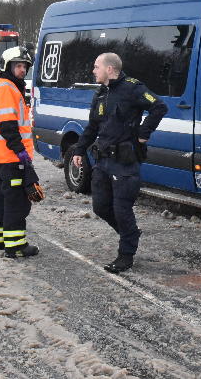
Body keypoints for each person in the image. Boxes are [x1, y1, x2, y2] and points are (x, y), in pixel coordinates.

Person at [72, 52, 168, 273]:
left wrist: (144, 133)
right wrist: (79, 149)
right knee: (100, 207)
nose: (93, 71)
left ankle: (126, 254)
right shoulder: (100, 94)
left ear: (110, 69)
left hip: (125, 163)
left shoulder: (133, 88)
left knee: (122, 208)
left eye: (96, 67)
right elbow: (92, 127)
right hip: (103, 162)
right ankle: (130, 233)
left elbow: (159, 107)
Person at [0, 46, 39, 258]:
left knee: (3, 199)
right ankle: (15, 246)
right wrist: (21, 153)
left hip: (4, 156)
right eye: (18, 65)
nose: (22, 70)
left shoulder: (8, 86)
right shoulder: (7, 87)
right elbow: (8, 128)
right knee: (16, 201)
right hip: (11, 156)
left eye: (24, 66)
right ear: (7, 66)